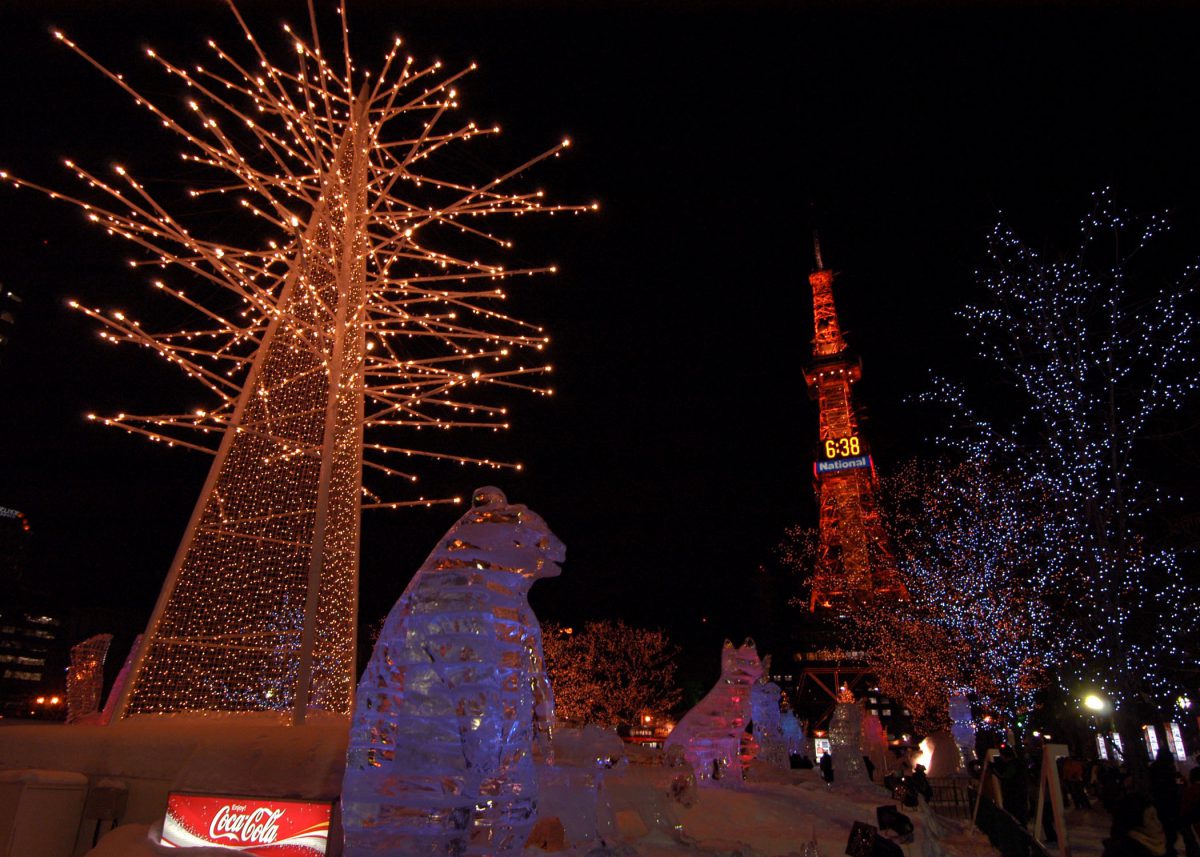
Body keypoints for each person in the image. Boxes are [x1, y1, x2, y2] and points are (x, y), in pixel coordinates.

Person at [1103, 794, 1168, 857]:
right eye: (1152, 818)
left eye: (1157, 817)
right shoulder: (1124, 852)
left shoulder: (1158, 848)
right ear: (1137, 826)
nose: (1158, 823)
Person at [1150, 748, 1183, 856]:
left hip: (1161, 802)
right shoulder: (1166, 769)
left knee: (1166, 828)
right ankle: (1169, 849)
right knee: (1170, 828)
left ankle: (1168, 848)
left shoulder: (1155, 768)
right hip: (1168, 802)